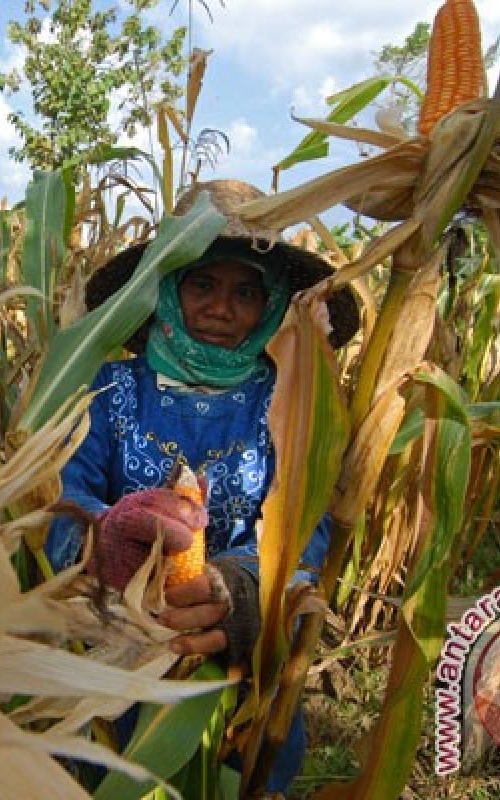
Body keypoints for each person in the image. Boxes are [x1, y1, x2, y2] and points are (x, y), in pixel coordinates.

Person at [46, 180, 359, 794]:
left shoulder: (293, 403)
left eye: (247, 291)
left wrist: (240, 590)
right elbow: (63, 501)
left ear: (273, 304)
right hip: (121, 642)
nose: (223, 307)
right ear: (166, 290)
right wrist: (109, 539)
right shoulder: (108, 394)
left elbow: (309, 531)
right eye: (202, 285)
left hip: (245, 655)